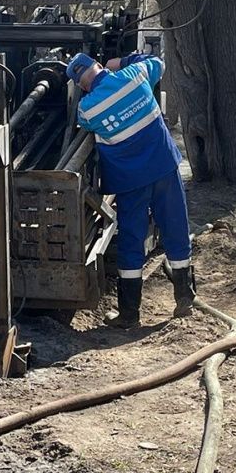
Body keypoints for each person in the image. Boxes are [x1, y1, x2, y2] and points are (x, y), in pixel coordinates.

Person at [66, 52, 196, 326]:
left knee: (131, 240)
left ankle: (129, 314)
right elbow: (159, 63)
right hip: (163, 166)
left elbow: (84, 123)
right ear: (99, 66)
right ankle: (185, 296)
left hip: (129, 181)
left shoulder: (88, 108)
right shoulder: (135, 75)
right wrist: (122, 62)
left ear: (81, 85)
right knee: (175, 227)